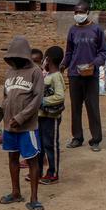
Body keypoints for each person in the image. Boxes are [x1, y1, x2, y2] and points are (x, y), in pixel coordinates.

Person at [0, 36, 45, 210]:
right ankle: (15, 192)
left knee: (32, 160)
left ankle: (34, 199)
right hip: (9, 126)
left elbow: (37, 99)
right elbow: (6, 96)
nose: (15, 60)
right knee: (12, 158)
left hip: (27, 127)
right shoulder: (9, 73)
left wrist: (21, 117)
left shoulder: (35, 72)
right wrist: (2, 111)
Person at [60, 2, 106, 150]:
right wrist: (63, 65)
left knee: (93, 107)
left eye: (80, 12)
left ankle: (96, 140)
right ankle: (77, 137)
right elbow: (69, 52)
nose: (77, 15)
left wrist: (94, 64)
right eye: (76, 12)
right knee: (75, 107)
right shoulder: (72, 30)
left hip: (91, 74)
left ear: (87, 12)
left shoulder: (96, 29)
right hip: (74, 74)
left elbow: (103, 52)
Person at [36, 46, 65, 185]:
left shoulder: (56, 76)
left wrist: (43, 101)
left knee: (51, 144)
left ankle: (53, 173)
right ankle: (38, 170)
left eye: (45, 58)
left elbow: (60, 96)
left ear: (49, 59)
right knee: (40, 144)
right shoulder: (46, 75)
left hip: (51, 117)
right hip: (41, 116)